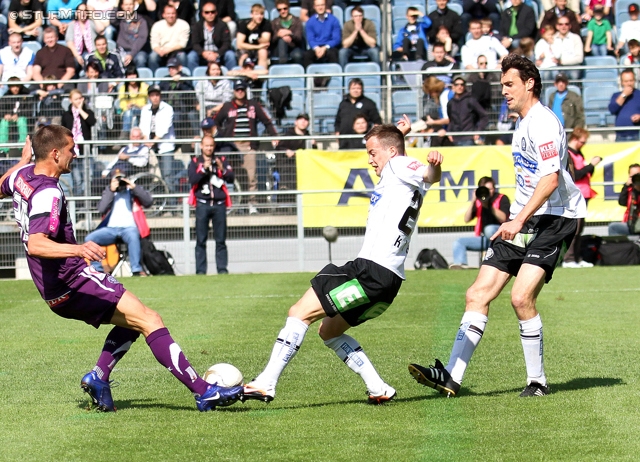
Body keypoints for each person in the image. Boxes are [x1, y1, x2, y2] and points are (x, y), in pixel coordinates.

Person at [0, 127, 243, 412]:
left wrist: (22, 160)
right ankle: (204, 392)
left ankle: (99, 378)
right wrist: (77, 249)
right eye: (71, 148)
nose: (75, 153)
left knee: (133, 322)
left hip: (52, 290)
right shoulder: (49, 192)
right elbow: (37, 244)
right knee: (150, 319)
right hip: (73, 280)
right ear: (55, 154)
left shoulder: (22, 175)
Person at [409, 54, 586, 399]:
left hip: (556, 218)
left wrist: (518, 219)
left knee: (521, 298)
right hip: (524, 216)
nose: (503, 91)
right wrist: (514, 217)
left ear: (529, 83)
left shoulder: (543, 123)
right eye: (502, 85)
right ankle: (451, 377)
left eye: (509, 84)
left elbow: (550, 180)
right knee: (477, 294)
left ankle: (537, 382)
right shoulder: (520, 123)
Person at [241, 117, 444, 404]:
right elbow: (405, 161)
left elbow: (426, 173)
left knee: (300, 312)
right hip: (390, 280)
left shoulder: (398, 166)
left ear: (390, 152)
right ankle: (379, 388)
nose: (371, 161)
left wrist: (433, 164)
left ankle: (266, 383)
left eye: (373, 153)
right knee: (329, 330)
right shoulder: (398, 173)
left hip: (370, 270)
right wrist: (399, 135)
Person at [215, 79, 278, 215]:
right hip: (232, 146)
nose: (240, 92)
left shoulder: (253, 105)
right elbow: (216, 122)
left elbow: (266, 121)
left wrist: (274, 135)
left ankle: (252, 203)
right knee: (232, 175)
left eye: (242, 90)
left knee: (251, 175)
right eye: (237, 90)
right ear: (234, 91)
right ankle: (233, 204)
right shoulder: (227, 106)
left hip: (249, 145)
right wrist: (222, 136)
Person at [85, 169, 153, 276]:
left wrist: (134, 187)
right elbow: (101, 208)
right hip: (110, 229)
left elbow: (148, 202)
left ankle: (136, 270)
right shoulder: (109, 192)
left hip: (129, 228)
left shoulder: (132, 192)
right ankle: (97, 270)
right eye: (117, 179)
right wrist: (111, 190)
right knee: (90, 239)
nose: (119, 182)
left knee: (133, 236)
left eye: (121, 179)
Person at [188, 135, 234, 275]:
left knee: (221, 240)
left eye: (211, 145)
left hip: (219, 205)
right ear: (201, 146)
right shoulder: (195, 162)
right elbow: (192, 179)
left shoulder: (222, 160)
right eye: (206, 145)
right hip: (203, 204)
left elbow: (231, 177)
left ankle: (222, 269)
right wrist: (203, 170)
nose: (209, 148)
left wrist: (222, 169)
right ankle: (201, 271)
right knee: (201, 240)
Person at [450, 176, 510, 269]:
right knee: (458, 242)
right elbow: (466, 219)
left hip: (499, 237)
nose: (488, 192)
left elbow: (503, 218)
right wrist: (473, 201)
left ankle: (491, 258)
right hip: (484, 240)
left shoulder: (502, 198)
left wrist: (488, 206)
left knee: (489, 229)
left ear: (494, 188)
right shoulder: (478, 202)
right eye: (485, 189)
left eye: (490, 189)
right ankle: (461, 265)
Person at [562, 128, 600, 268]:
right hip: (574, 195)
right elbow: (576, 175)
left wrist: (591, 167)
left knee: (580, 228)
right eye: (582, 141)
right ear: (576, 138)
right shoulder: (568, 153)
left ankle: (576, 258)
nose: (583, 144)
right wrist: (591, 165)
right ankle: (568, 259)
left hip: (584, 194)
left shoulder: (578, 153)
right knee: (574, 228)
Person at [139, 85, 176, 192]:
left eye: (157, 95)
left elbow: (165, 128)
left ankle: (172, 205)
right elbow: (143, 126)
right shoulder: (145, 109)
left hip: (165, 146)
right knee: (152, 175)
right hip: (148, 147)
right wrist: (146, 140)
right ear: (149, 97)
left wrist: (153, 141)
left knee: (167, 175)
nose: (155, 97)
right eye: (152, 95)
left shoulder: (168, 108)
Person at [61, 88, 96, 195]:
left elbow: (92, 121)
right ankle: (79, 203)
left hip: (85, 150)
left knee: (88, 177)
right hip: (73, 150)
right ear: (71, 100)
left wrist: (80, 110)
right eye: (76, 99)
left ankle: (88, 199)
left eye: (80, 98)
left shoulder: (88, 112)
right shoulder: (67, 115)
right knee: (77, 179)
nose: (79, 101)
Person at [188, 0, 236, 72]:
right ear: (203, 14)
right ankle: (192, 81)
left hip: (218, 54)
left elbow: (226, 43)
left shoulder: (222, 25)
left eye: (212, 12)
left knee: (230, 55)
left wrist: (217, 54)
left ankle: (233, 79)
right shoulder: (197, 26)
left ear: (216, 13)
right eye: (207, 12)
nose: (210, 14)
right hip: (203, 54)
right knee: (191, 56)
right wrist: (203, 53)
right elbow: (195, 44)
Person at [335, 78, 382, 149]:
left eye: (358, 88)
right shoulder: (343, 103)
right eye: (353, 88)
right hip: (344, 141)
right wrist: (337, 135)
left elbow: (377, 122)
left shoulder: (369, 103)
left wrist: (372, 137)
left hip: (362, 142)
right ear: (349, 89)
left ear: (362, 89)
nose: (356, 90)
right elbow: (337, 121)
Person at [159, 56, 198, 140]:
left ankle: (178, 141)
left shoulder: (186, 78)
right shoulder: (165, 79)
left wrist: (180, 83)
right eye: (169, 68)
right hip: (167, 107)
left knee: (177, 115)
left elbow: (190, 94)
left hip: (183, 108)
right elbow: (159, 91)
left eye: (173, 67)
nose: (171, 70)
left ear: (179, 68)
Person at [274, 112, 314, 193]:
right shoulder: (288, 135)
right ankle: (284, 187)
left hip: (302, 165)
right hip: (288, 164)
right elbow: (279, 148)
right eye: (300, 119)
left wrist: (314, 145)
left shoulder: (309, 138)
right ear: (296, 122)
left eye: (306, 120)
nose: (303, 121)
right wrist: (286, 151)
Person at [444, 76, 488, 146]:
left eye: (462, 84)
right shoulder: (450, 103)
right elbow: (451, 120)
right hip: (454, 138)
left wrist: (478, 131)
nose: (459, 87)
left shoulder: (471, 100)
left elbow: (484, 116)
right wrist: (449, 133)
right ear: (453, 86)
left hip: (468, 138)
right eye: (457, 84)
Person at [148, 4, 190, 72]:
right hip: (161, 50)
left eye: (173, 13)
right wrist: (159, 51)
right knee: (153, 57)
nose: (170, 16)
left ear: (176, 14)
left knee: (182, 56)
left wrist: (169, 49)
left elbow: (183, 44)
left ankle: (183, 78)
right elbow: (154, 43)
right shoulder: (157, 25)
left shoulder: (184, 25)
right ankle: (154, 80)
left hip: (176, 50)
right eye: (168, 13)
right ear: (163, 15)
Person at [110, 0, 149, 69]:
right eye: (126, 5)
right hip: (122, 50)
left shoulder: (141, 20)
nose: (128, 7)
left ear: (134, 5)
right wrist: (116, 6)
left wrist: (131, 54)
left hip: (137, 51)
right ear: (122, 6)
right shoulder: (120, 19)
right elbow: (112, 20)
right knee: (114, 58)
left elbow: (142, 38)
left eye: (130, 4)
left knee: (141, 58)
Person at [303, 0, 341, 68]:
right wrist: (317, 48)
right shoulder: (310, 22)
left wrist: (324, 48)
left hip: (329, 47)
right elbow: (310, 39)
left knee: (333, 54)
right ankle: (310, 78)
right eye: (318, 5)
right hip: (316, 47)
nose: (320, 7)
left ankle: (334, 77)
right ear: (314, 7)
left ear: (325, 6)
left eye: (322, 5)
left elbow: (336, 39)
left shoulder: (334, 20)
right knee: (307, 55)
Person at [236, 3, 272, 71]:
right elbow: (239, 45)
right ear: (251, 15)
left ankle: (261, 78)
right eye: (256, 14)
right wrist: (258, 46)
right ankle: (242, 78)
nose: (259, 17)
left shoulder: (266, 23)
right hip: (246, 49)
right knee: (244, 56)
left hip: (260, 49)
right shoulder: (244, 24)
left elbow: (266, 41)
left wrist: (256, 31)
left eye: (261, 14)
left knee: (263, 52)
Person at [118, 64, 149, 140]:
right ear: (126, 77)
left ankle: (126, 136)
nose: (132, 77)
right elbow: (122, 104)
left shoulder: (143, 86)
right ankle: (128, 136)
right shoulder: (123, 88)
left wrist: (136, 105)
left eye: (133, 74)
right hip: (127, 112)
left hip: (141, 110)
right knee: (129, 114)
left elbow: (145, 103)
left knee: (132, 113)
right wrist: (127, 106)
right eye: (129, 75)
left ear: (137, 75)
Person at [608, 163, 640, 236]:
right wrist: (626, 186)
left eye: (638, 175)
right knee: (613, 227)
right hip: (631, 224)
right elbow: (622, 202)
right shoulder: (629, 189)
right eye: (633, 176)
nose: (637, 178)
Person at [420, 75, 452, 147]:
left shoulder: (444, 97)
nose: (430, 95)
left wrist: (433, 122)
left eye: (430, 92)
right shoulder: (446, 93)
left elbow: (448, 119)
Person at [609, 68, 640, 141]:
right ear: (622, 82)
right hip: (620, 137)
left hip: (637, 135)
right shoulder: (616, 95)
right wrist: (624, 95)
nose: (629, 83)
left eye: (631, 80)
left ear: (634, 81)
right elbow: (612, 109)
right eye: (626, 81)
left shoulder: (639, 94)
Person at [65, 3, 97, 72]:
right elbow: (70, 43)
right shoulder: (72, 26)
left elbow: (101, 29)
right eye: (80, 11)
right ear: (76, 13)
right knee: (72, 62)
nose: (83, 13)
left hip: (92, 53)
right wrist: (77, 56)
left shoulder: (92, 24)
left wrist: (93, 14)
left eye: (85, 11)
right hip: (77, 54)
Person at [270, 0, 304, 66]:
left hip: (294, 47)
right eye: (279, 10)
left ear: (288, 8)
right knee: (282, 41)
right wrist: (278, 35)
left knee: (298, 55)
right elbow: (271, 40)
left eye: (285, 8)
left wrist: (290, 34)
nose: (282, 11)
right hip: (279, 49)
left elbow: (299, 38)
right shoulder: (274, 22)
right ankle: (283, 66)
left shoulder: (297, 21)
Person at [0, 77, 32, 143]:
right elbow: (1, 109)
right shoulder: (5, 97)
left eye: (17, 86)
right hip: (9, 118)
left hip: (21, 118)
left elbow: (29, 110)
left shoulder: (26, 95)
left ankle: (22, 146)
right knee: (3, 122)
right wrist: (5, 115)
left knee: (22, 121)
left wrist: (18, 115)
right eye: (13, 86)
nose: (15, 88)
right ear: (9, 87)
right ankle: (3, 149)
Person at [552, 15, 584, 81]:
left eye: (566, 24)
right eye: (561, 24)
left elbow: (579, 58)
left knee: (574, 74)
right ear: (557, 26)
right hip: (557, 67)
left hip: (573, 67)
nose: (563, 26)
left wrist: (562, 62)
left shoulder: (576, 38)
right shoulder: (552, 38)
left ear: (570, 26)